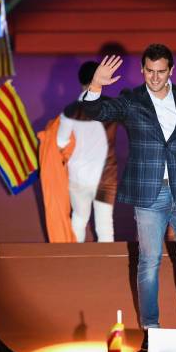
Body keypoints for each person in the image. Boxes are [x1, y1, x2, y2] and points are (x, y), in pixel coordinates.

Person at [81, 44, 176, 350]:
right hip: (149, 193)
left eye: (161, 72)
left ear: (171, 71)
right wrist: (96, 85)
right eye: (149, 71)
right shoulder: (131, 100)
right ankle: (151, 328)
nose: (155, 77)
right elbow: (95, 111)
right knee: (148, 262)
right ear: (142, 70)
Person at [55, 61, 118, 242]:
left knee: (79, 219)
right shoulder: (112, 107)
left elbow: (61, 143)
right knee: (105, 225)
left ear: (80, 80)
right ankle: (108, 267)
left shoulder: (69, 111)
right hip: (105, 177)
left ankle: (75, 263)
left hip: (77, 177)